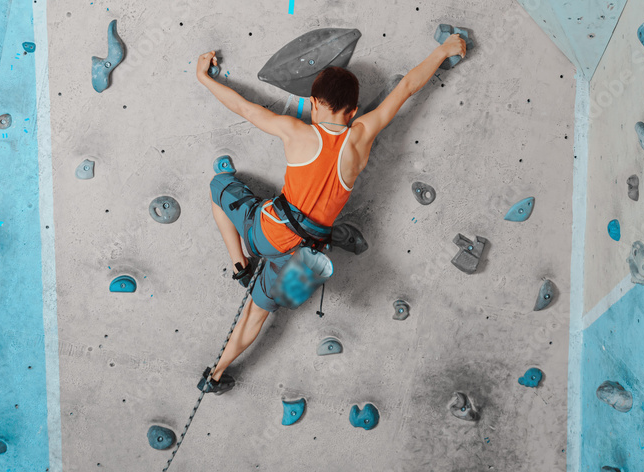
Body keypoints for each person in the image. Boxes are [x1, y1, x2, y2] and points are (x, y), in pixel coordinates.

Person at [194, 33, 467, 393]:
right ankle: (214, 375)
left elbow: (246, 108)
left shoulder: (297, 133)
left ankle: (240, 266)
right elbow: (406, 89)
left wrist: (204, 77)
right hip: (306, 260)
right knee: (255, 316)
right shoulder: (361, 136)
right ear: (353, 112)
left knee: (219, 188)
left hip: (266, 230)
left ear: (313, 103)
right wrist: (445, 50)